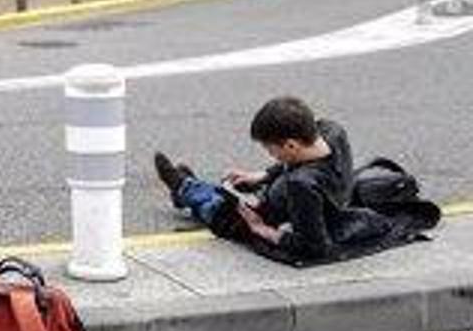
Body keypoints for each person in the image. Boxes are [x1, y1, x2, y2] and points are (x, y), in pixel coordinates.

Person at [153, 97, 420, 265]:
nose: (271, 154)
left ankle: (183, 187)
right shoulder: (331, 131)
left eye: (271, 149)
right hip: (305, 196)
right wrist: (264, 174)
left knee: (221, 210)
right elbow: (297, 161)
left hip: (279, 212)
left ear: (291, 145)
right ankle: (187, 188)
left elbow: (315, 247)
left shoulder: (302, 185)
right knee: (235, 188)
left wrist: (262, 230)